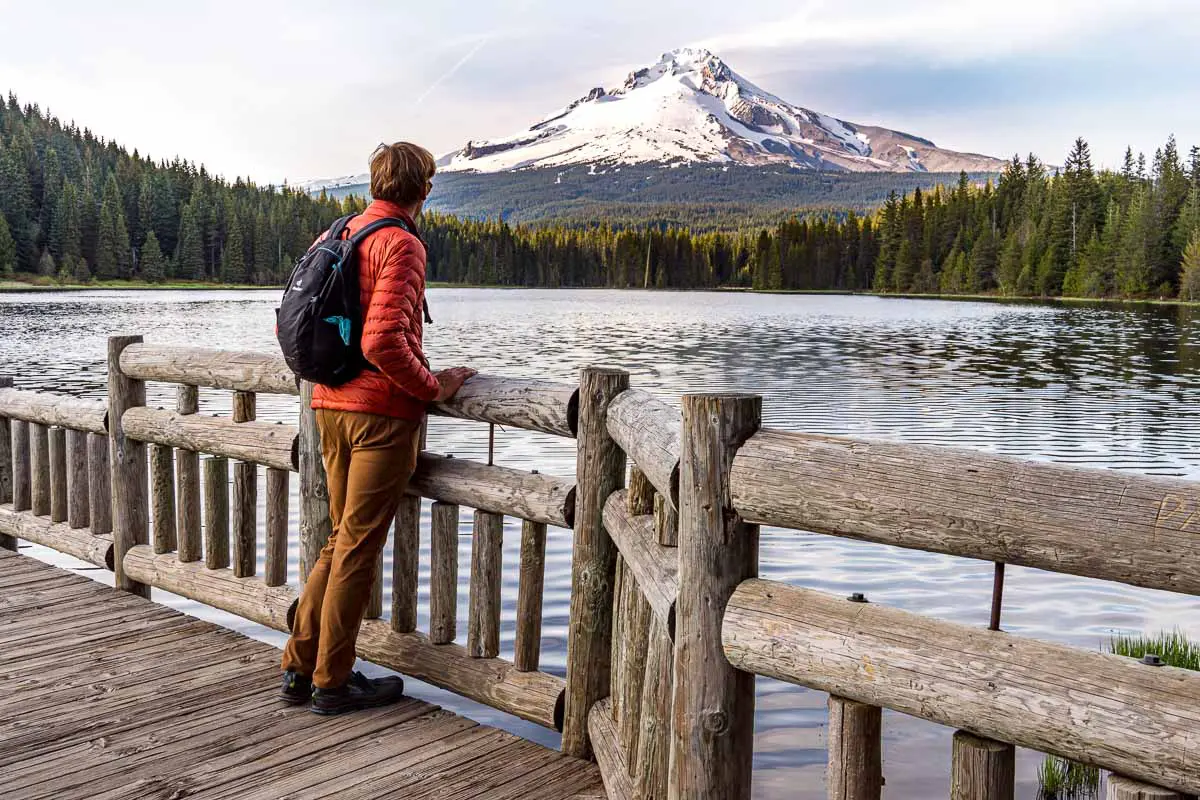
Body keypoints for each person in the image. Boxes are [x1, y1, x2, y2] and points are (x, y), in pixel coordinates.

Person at [279, 141, 475, 715]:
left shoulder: (337, 233)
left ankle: (300, 667)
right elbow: (383, 341)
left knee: (339, 540)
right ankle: (332, 682)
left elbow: (291, 323)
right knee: (357, 548)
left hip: (328, 405)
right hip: (378, 417)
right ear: (425, 190)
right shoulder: (402, 243)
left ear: (373, 184)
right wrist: (432, 386)